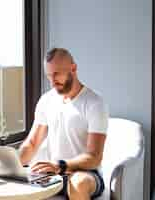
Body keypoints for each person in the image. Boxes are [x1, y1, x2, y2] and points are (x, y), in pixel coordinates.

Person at [19, 48, 109, 200]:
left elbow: (94, 157)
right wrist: (10, 166)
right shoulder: (46, 100)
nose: (52, 81)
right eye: (49, 75)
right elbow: (32, 143)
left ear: (73, 69)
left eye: (57, 74)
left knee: (78, 183)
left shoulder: (94, 103)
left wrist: (61, 165)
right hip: (53, 173)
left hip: (85, 172)